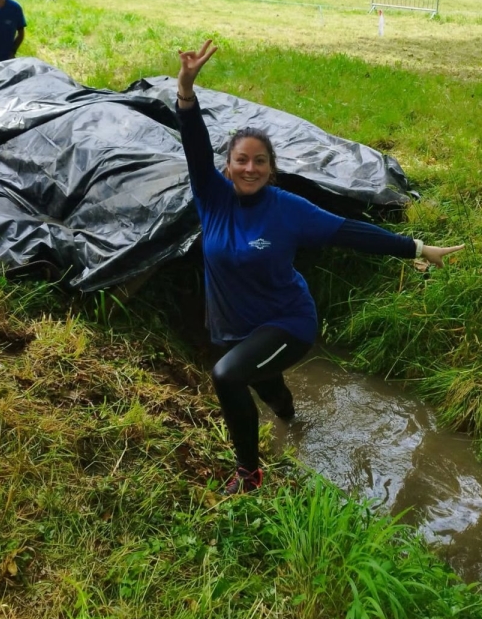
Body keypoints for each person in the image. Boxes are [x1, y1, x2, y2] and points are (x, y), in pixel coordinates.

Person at [176, 40, 464, 495]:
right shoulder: (212, 198)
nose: (250, 168)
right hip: (233, 328)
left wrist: (416, 247)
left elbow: (349, 231)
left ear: (271, 169)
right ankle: (293, 422)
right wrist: (186, 91)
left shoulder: (288, 209)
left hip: (287, 323)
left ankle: (249, 474)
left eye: (260, 161)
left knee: (228, 375)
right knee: (271, 393)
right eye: (241, 160)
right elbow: (194, 144)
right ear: (227, 166)